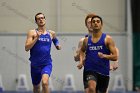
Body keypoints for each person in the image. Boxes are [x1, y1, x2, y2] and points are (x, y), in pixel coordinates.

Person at [77, 15, 118, 93]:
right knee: (91, 88)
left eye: (98, 21)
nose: (96, 23)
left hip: (103, 71)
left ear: (101, 25)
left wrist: (104, 56)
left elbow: (115, 56)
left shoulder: (108, 39)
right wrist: (81, 61)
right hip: (90, 70)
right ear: (91, 25)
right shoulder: (86, 40)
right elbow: (82, 51)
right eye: (93, 22)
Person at [25, 12, 61, 93]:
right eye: (38, 19)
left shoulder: (51, 33)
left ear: (45, 19)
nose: (41, 19)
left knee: (45, 83)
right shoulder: (32, 32)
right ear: (36, 22)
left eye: (42, 18)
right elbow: (26, 48)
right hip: (35, 65)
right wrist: (36, 38)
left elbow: (56, 40)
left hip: (46, 64)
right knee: (36, 87)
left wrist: (58, 45)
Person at [74, 13, 96, 93]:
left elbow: (112, 52)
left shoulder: (104, 39)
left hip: (101, 71)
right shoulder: (83, 40)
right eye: (88, 23)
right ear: (86, 25)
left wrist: (114, 63)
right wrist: (79, 56)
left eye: (92, 22)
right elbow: (76, 58)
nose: (91, 24)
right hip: (88, 71)